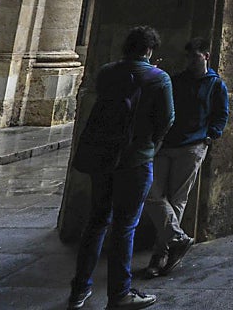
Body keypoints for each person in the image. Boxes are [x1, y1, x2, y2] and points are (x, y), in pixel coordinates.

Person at [68, 26, 173, 310]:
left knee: (96, 221)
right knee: (125, 227)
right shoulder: (158, 79)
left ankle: (79, 289)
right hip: (136, 160)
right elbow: (167, 119)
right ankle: (119, 293)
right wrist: (151, 144)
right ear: (149, 50)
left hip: (102, 158)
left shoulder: (106, 72)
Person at [141, 37, 229, 280]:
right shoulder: (176, 81)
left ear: (206, 56)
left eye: (195, 57)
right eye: (188, 57)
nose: (191, 61)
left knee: (178, 199)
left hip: (193, 146)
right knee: (151, 193)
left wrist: (211, 136)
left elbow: (221, 114)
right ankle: (177, 238)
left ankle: (161, 254)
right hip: (166, 144)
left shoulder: (215, 85)